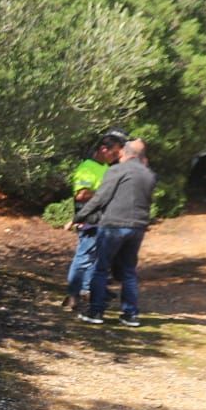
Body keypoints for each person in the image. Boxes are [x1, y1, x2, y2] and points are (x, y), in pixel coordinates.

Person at [74, 138, 157, 327]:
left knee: (101, 268)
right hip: (138, 227)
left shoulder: (117, 170)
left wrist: (80, 216)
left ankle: (95, 312)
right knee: (129, 271)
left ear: (124, 153)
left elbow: (100, 198)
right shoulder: (149, 174)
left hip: (114, 225)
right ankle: (130, 315)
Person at [64, 132, 128, 310]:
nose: (115, 157)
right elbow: (81, 194)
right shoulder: (87, 168)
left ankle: (88, 290)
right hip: (90, 221)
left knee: (96, 259)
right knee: (84, 257)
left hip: (104, 221)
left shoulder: (105, 167)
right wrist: (106, 193)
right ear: (103, 149)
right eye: (113, 153)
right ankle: (73, 294)